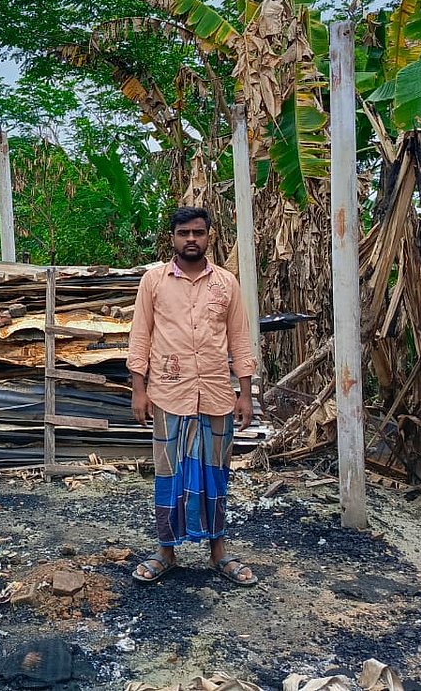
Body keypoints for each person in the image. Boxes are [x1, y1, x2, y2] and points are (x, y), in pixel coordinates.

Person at [126, 205, 259, 586]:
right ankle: (166, 552)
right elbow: (140, 337)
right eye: (184, 233)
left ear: (208, 236)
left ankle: (218, 552)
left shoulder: (226, 284)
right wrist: (139, 389)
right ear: (173, 237)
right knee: (169, 474)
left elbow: (239, 339)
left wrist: (244, 394)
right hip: (169, 392)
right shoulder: (153, 282)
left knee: (215, 474)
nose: (191, 240)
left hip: (217, 393)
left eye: (198, 233)